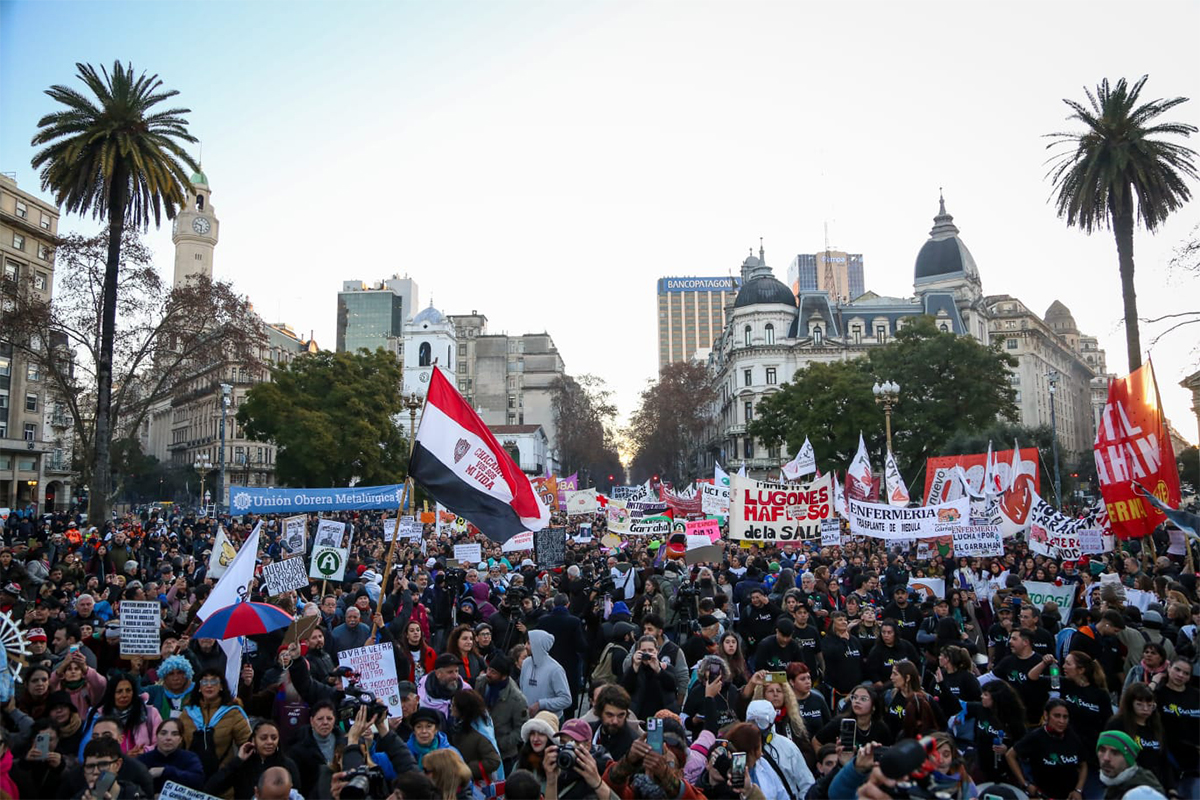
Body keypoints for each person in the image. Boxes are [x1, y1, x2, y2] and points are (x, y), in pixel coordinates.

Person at [1007, 699, 1087, 800]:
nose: (1061, 721)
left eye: (1065, 717)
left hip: (1070, 796)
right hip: (1044, 795)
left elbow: (1083, 765)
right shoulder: (1036, 737)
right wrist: (1025, 784)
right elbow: (1010, 755)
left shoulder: (1072, 736)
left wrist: (1078, 790)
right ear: (1046, 715)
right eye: (1057, 716)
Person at [177, 668, 251, 773]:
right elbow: (178, 746)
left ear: (221, 686)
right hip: (191, 775)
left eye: (214, 681)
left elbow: (247, 744)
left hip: (222, 778)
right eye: (204, 682)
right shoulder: (187, 713)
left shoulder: (233, 713)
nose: (209, 685)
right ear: (199, 687)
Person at [203, 720, 300, 800]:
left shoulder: (288, 765)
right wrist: (238, 760)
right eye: (263, 738)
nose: (270, 742)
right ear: (253, 740)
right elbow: (211, 788)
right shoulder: (242, 764)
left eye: (274, 738)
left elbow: (297, 795)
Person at [960, 680, 1029, 786]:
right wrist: (941, 683)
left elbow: (1024, 745)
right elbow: (956, 704)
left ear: (996, 697)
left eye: (986, 694)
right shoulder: (980, 709)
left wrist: (1008, 748)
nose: (981, 696)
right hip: (981, 767)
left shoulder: (1014, 719)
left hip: (1006, 770)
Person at [744, 699, 816, 798]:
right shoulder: (741, 748)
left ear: (771, 722)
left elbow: (806, 783)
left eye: (762, 721)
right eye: (752, 721)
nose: (756, 727)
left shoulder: (787, 746)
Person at [81, 671, 162, 756]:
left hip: (144, 763)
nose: (124, 695)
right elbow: (90, 748)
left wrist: (144, 752)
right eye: (119, 691)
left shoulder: (150, 713)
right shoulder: (99, 716)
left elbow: (160, 743)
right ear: (111, 694)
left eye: (128, 690)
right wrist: (122, 757)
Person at [1104, 682, 1169, 784]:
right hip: (1124, 782)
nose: (1145, 709)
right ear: (1130, 704)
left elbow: (1164, 760)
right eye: (1139, 704)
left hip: (1153, 782)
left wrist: (1171, 789)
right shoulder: (1117, 724)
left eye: (1150, 705)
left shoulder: (1156, 727)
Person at [473, 652, 527, 772]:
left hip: (504, 756)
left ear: (504, 676)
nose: (488, 674)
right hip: (481, 750)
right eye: (489, 669)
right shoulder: (481, 683)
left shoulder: (517, 700)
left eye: (493, 672)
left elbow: (521, 730)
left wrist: (500, 743)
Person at [812, 684, 890, 766]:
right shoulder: (840, 723)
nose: (857, 701)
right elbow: (816, 742)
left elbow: (887, 753)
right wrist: (826, 764)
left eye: (863, 699)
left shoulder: (881, 728)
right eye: (854, 697)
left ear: (874, 706)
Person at [1155, 657, 1199, 799]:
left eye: (1186, 673)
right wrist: (1155, 681)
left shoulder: (1196, 695)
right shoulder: (1159, 694)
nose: (1181, 675)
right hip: (1167, 758)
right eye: (1177, 670)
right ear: (1169, 668)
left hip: (1194, 759)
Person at [286, 700, 344, 799]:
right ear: (312, 721)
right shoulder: (297, 751)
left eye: (329, 718)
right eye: (320, 719)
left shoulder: (345, 744)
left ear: (334, 720)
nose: (325, 722)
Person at [994, 628, 1050, 726]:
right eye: (1010, 638)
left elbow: (1054, 688)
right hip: (1014, 718)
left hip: (1038, 720)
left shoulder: (1042, 662)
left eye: (1014, 639)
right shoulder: (1007, 661)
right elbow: (990, 677)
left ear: (1025, 642)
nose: (1010, 642)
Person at [446, 689, 501, 783]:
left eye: (454, 705)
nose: (451, 708)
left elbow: (494, 761)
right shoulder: (457, 727)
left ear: (463, 709)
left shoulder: (480, 733)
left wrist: (466, 768)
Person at [137, 718, 204, 794]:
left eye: (174, 734)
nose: (168, 738)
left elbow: (198, 781)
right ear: (157, 736)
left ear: (180, 739)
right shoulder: (143, 760)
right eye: (163, 733)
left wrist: (165, 771)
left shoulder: (190, 758)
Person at [620, 635, 678, 720]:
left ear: (657, 651)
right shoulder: (633, 670)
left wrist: (658, 670)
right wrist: (634, 667)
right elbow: (625, 689)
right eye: (643, 651)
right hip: (639, 717)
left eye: (650, 650)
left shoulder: (667, 668)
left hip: (663, 717)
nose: (647, 653)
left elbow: (672, 685)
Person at [1095, 730, 1165, 799]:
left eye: (1115, 753)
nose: (1106, 758)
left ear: (1129, 760)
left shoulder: (1143, 793)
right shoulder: (1113, 784)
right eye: (1102, 750)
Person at [520, 630, 573, 719]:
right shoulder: (526, 663)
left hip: (550, 721)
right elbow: (521, 689)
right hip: (529, 720)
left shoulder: (555, 669)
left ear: (538, 645)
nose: (525, 646)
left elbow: (566, 699)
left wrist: (541, 704)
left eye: (529, 643)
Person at [882, 661, 940, 742]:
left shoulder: (925, 699)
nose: (891, 677)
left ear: (907, 677)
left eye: (895, 674)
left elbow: (940, 725)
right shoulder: (890, 696)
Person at [77, 737, 146, 800]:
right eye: (90, 766)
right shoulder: (78, 797)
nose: (95, 771)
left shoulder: (134, 795)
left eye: (103, 764)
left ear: (117, 765)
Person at [587, 685, 638, 762]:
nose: (615, 721)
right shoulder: (587, 731)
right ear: (600, 712)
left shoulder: (632, 743)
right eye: (609, 715)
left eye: (621, 715)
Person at [865, 620, 920, 687]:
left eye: (889, 632)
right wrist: (881, 687)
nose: (886, 635)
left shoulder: (906, 645)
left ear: (895, 633)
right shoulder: (876, 650)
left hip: (908, 684)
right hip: (886, 686)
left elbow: (917, 663)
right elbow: (872, 673)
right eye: (883, 632)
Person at [142, 655, 194, 722]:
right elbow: (136, 693)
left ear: (187, 674)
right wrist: (135, 672)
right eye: (171, 674)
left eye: (180, 673)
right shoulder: (156, 691)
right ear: (164, 677)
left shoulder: (197, 691)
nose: (176, 678)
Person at [417, 653, 466, 719]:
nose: (455, 676)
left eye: (456, 671)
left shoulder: (466, 690)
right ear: (438, 674)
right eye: (450, 672)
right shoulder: (423, 694)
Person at [788, 662, 831, 732]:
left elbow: (828, 725)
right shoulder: (787, 701)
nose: (807, 682)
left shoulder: (818, 698)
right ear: (792, 682)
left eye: (809, 678)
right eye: (802, 679)